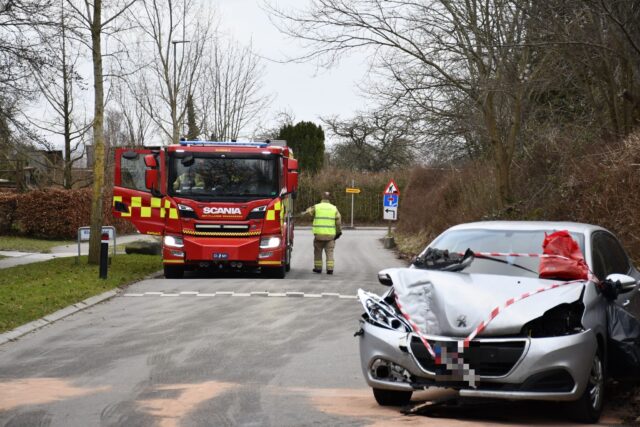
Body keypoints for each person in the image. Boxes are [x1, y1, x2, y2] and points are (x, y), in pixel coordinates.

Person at [303, 192, 342, 274]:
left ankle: (318, 268)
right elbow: (338, 222)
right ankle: (330, 269)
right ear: (329, 199)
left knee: (318, 251)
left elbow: (307, 212)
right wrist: (338, 232)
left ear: (322, 198)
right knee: (329, 252)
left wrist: (306, 212)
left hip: (319, 236)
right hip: (330, 236)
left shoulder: (317, 207)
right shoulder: (334, 208)